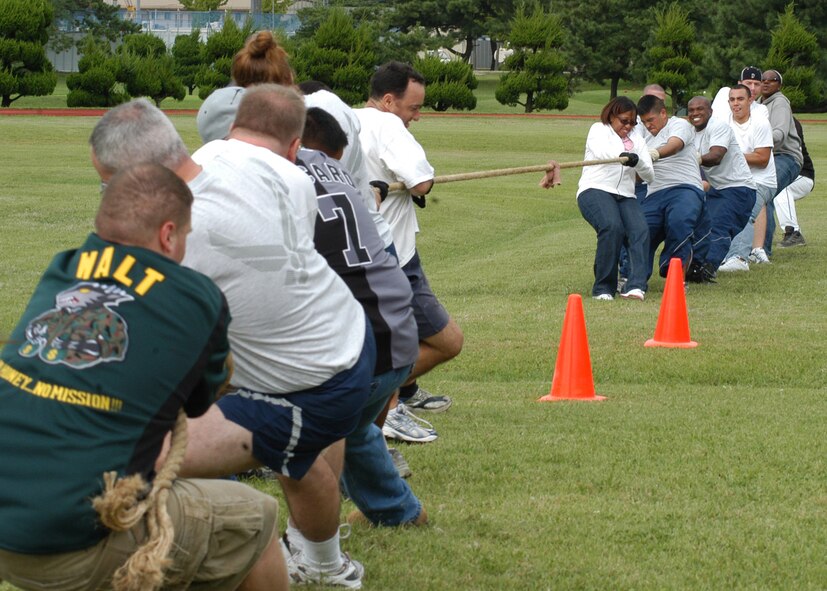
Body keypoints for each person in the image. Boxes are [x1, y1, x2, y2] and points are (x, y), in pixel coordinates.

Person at [90, 97, 373, 588]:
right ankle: (323, 561)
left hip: (315, 382)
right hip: (346, 331)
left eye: (107, 184)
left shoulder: (173, 239)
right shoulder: (241, 156)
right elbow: (298, 202)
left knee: (139, 454)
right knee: (300, 457)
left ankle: (323, 569)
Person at [0, 163, 286, 591]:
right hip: (68, 543)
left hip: (9, 528)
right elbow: (202, 400)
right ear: (169, 234)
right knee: (256, 518)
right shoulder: (198, 296)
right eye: (185, 237)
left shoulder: (63, 269)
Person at [297, 105, 427, 525]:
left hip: (361, 347)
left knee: (304, 428)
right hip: (398, 338)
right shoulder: (345, 180)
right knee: (352, 426)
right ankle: (400, 512)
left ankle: (315, 538)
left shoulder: (285, 177)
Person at [356, 61, 464, 440]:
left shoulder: (346, 119)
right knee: (448, 341)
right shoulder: (387, 125)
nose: (416, 117)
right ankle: (380, 399)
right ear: (388, 101)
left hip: (353, 259)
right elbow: (422, 183)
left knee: (379, 340)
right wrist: (414, 182)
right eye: (414, 108)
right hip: (395, 259)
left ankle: (390, 401)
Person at [551, 96, 654, 300]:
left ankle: (635, 286)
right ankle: (604, 288)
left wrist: (638, 162)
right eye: (624, 121)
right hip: (595, 189)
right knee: (612, 227)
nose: (628, 126)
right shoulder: (598, 130)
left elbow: (649, 174)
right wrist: (627, 156)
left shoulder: (638, 139)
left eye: (633, 122)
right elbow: (604, 153)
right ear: (611, 115)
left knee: (640, 230)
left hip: (625, 194)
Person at [685, 96, 756, 281]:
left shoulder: (718, 126)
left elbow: (716, 156)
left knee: (719, 226)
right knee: (700, 226)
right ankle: (695, 266)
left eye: (700, 109)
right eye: (691, 110)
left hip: (739, 187)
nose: (695, 113)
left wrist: (692, 160)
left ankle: (707, 269)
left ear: (711, 112)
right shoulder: (690, 132)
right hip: (716, 189)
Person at [636, 94, 705, 279]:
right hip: (654, 193)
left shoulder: (679, 125)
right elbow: (637, 177)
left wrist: (654, 154)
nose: (648, 125)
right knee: (641, 230)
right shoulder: (644, 141)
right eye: (644, 122)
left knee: (679, 222)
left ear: (663, 113)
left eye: (651, 119)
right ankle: (634, 279)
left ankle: (676, 274)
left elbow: (674, 145)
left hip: (685, 188)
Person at [717, 84, 777, 272]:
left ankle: (739, 258)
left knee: (745, 211)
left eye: (740, 99)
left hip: (762, 181)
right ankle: (719, 256)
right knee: (716, 212)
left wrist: (732, 155)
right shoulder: (723, 122)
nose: (736, 103)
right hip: (734, 180)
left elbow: (762, 159)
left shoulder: (760, 123)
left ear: (750, 100)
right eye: (732, 100)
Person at [758, 69, 803, 256]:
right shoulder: (758, 104)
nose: (766, 82)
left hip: (786, 156)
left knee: (764, 193)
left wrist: (758, 142)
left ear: (779, 85)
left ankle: (762, 249)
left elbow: (780, 134)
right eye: (763, 80)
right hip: (766, 156)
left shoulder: (780, 102)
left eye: (772, 80)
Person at [775, 117, 813, 247]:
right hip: (778, 174)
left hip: (803, 175)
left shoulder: (791, 123)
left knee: (781, 187)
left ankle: (793, 232)